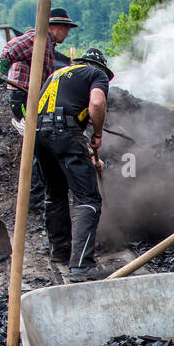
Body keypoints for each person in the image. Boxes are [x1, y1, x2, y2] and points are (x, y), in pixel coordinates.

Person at [34, 47, 113, 281]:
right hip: (63, 132)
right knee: (87, 198)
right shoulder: (95, 74)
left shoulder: (56, 75)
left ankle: (59, 251)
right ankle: (82, 265)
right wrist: (97, 133)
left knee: (55, 193)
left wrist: (88, 155)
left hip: (39, 134)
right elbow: (97, 105)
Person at [0, 8, 78, 212]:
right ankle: (33, 202)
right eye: (66, 29)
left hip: (32, 99)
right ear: (57, 26)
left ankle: (35, 199)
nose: (67, 34)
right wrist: (3, 67)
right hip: (23, 98)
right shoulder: (38, 37)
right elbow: (12, 46)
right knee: (37, 146)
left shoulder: (49, 45)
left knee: (38, 146)